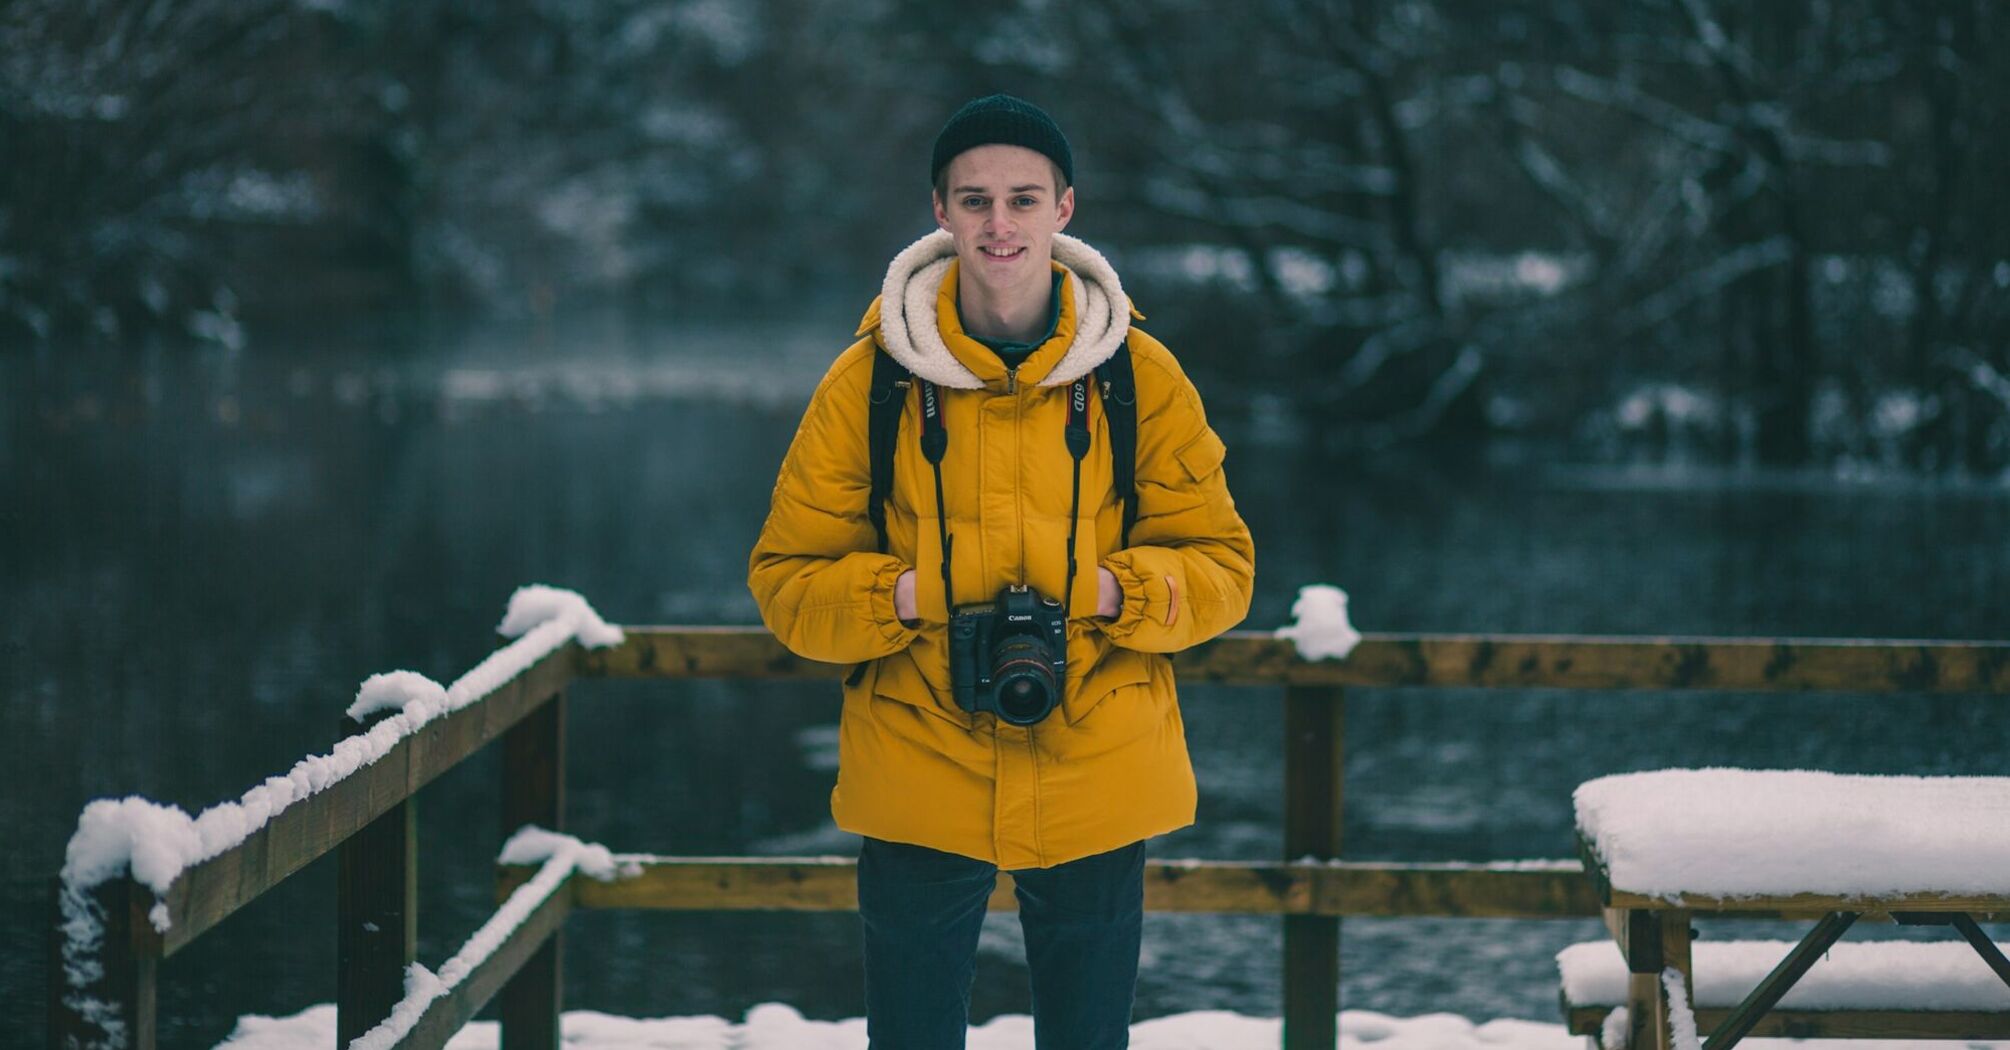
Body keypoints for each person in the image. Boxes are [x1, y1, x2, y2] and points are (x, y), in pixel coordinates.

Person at [747, 94, 1254, 1049]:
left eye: (1024, 198)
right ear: (939, 210)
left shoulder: (1140, 376)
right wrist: (904, 596)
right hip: (919, 762)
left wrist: (1115, 593)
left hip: (1097, 760)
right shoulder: (870, 380)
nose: (1000, 223)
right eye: (974, 199)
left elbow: (1225, 567)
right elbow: (785, 580)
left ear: (1066, 207)